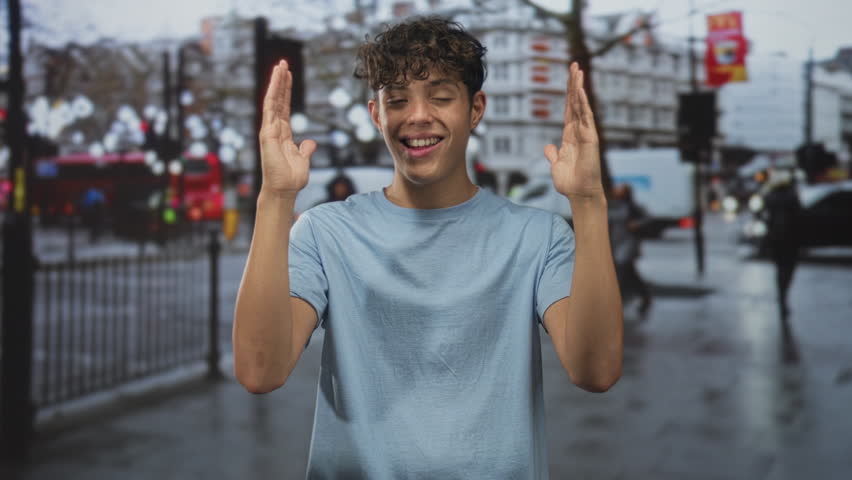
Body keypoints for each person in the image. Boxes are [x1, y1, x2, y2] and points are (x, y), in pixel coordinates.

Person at [233, 17, 623, 479]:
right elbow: (261, 371)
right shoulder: (326, 232)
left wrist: (589, 202)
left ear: (475, 109)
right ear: (378, 115)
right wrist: (275, 198)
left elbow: (595, 371)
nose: (417, 115)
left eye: (440, 97)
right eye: (397, 99)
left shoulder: (537, 237)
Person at [763, 167, 801, 320]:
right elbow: (800, 218)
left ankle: (782, 296)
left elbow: (764, 216)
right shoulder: (791, 197)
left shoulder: (770, 197)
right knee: (788, 270)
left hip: (777, 240)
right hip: (789, 239)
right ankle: (783, 296)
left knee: (780, 270)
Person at [608, 183, 652, 315]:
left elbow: (647, 219)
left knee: (621, 272)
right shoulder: (612, 205)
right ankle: (645, 296)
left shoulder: (633, 207)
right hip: (617, 243)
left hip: (629, 243)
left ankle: (616, 301)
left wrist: (637, 224)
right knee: (631, 274)